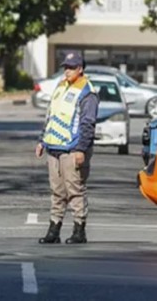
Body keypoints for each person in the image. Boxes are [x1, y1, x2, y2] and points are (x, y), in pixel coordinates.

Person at [35, 51, 98, 245]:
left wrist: (80, 149)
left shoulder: (87, 92)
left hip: (72, 149)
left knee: (75, 190)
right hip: (54, 146)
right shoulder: (61, 86)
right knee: (57, 191)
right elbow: (51, 115)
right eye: (65, 67)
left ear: (80, 69)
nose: (67, 71)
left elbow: (88, 124)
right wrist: (42, 141)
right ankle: (54, 229)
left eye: (71, 68)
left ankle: (79, 229)